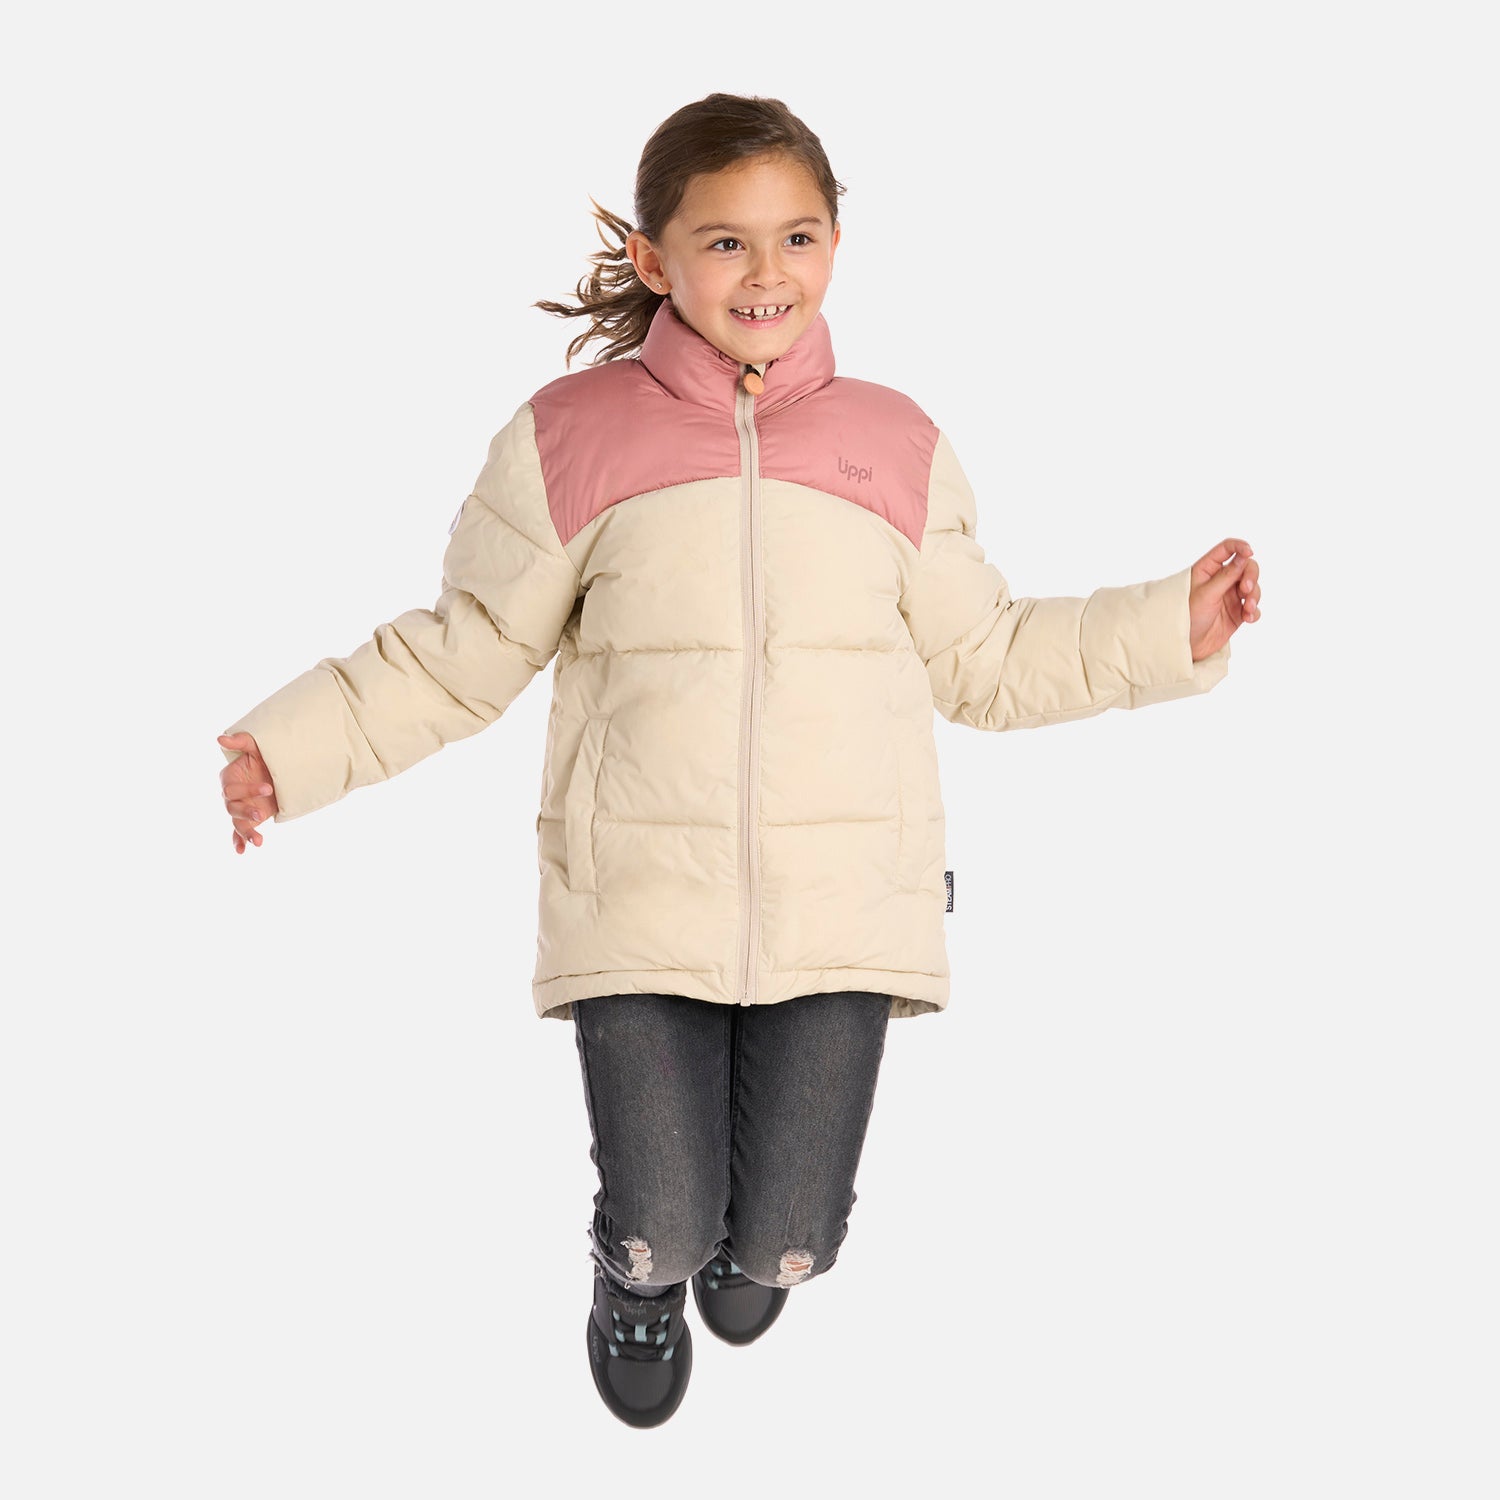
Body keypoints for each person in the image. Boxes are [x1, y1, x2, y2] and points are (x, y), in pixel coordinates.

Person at [217, 92, 1261, 1429]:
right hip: (639, 905)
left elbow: (987, 657)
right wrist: (288, 750)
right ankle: (636, 1285)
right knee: (660, 1221)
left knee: (789, 1247)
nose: (767, 272)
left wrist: (1166, 630)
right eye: (724, 242)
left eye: (797, 236)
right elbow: (461, 652)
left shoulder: (894, 443)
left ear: (836, 244)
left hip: (843, 910)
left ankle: (748, 1251)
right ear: (654, 259)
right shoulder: (570, 438)